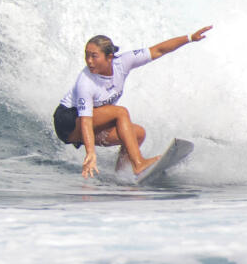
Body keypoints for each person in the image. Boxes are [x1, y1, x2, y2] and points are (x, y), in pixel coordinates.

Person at [54, 26, 212, 178]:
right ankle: (138, 163)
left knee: (137, 134)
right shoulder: (85, 81)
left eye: (94, 56)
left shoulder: (123, 62)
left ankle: (121, 175)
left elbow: (158, 50)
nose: (89, 61)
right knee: (120, 112)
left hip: (90, 122)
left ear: (109, 57)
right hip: (68, 121)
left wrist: (190, 38)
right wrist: (90, 153)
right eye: (86, 55)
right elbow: (86, 121)